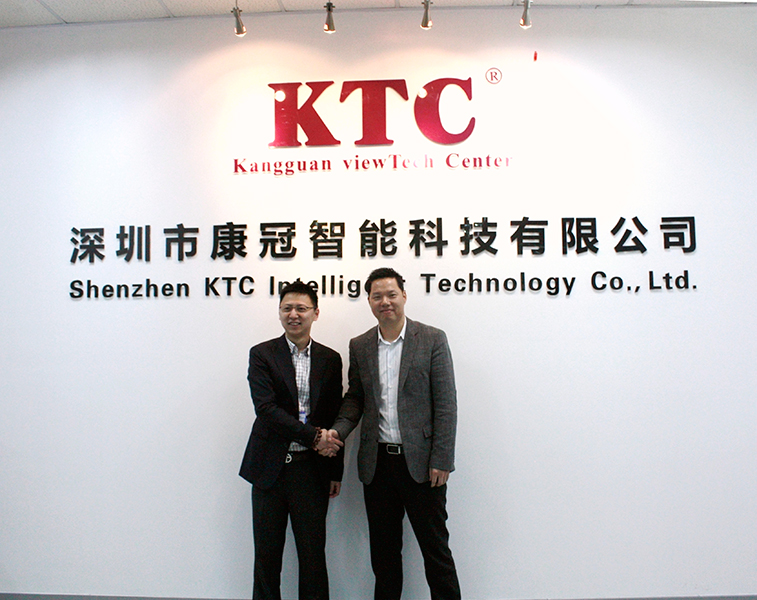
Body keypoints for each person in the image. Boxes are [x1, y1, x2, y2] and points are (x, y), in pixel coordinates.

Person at [323, 267, 461, 600]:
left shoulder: (432, 338)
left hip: (423, 466)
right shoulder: (360, 345)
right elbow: (356, 398)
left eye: (391, 294)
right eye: (377, 296)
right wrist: (337, 432)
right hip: (379, 466)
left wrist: (442, 459)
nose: (385, 301)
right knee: (383, 557)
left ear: (404, 296)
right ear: (369, 301)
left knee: (436, 553)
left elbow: (446, 403)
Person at [239, 280, 344, 600]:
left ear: (315, 313)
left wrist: (335, 470)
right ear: (279, 312)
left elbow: (333, 414)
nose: (293, 314)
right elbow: (266, 410)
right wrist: (313, 436)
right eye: (287, 308)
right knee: (266, 557)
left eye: (301, 308)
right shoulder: (262, 354)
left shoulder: (330, 358)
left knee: (313, 557)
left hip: (310, 471)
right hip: (269, 469)